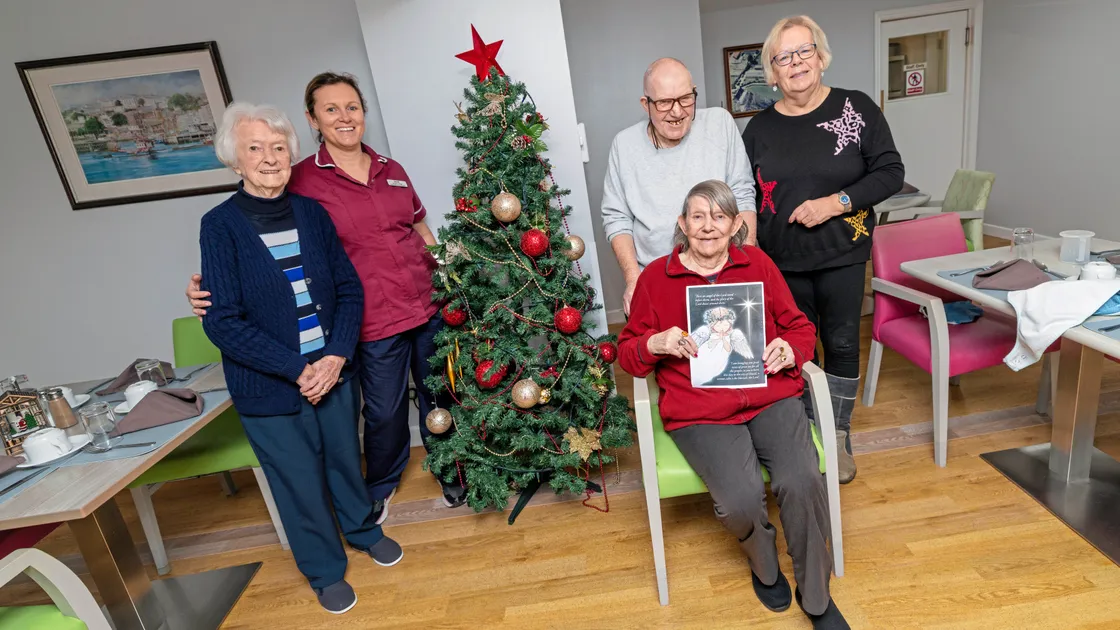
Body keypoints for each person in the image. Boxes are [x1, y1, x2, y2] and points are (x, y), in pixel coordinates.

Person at [187, 72, 467, 514]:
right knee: (383, 412)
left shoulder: (391, 170)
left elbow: (418, 227)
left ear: (364, 114)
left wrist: (452, 277)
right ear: (312, 118)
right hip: (370, 319)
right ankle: (381, 485)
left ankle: (451, 471)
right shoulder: (297, 179)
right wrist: (207, 288)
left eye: (352, 107)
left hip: (429, 305)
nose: (344, 116)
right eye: (331, 109)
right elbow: (251, 225)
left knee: (442, 395)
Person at [198, 103, 402, 614]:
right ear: (234, 161)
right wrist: (297, 368)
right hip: (270, 386)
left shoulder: (312, 214)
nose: (270, 158)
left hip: (332, 371)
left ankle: (360, 528)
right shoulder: (219, 226)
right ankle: (324, 568)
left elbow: (348, 291)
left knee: (343, 461)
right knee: (297, 479)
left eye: (278, 147)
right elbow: (222, 321)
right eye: (255, 148)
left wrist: (334, 357)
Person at [618, 180, 848, 629]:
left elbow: (799, 327)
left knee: (801, 479)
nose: (708, 227)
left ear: (734, 225)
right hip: (700, 411)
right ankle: (764, 563)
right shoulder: (654, 279)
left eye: (718, 217)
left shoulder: (758, 264)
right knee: (740, 500)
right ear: (682, 225)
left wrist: (791, 349)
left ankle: (816, 596)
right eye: (698, 217)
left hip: (770, 397)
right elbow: (629, 355)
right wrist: (654, 342)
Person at [742, 15, 905, 483]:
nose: (795, 63)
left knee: (838, 342)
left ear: (821, 55)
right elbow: (747, 192)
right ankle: (803, 433)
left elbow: (890, 173)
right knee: (797, 348)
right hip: (781, 262)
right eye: (783, 57)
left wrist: (835, 203)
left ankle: (837, 433)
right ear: (772, 72)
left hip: (843, 253)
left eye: (803, 51)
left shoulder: (856, 108)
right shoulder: (759, 129)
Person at [601, 57, 756, 317]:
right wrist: (633, 280)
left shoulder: (720, 124)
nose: (677, 111)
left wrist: (748, 263)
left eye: (686, 98)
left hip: (723, 275)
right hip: (658, 278)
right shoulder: (624, 144)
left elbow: (742, 192)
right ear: (645, 104)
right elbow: (616, 218)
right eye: (664, 102)